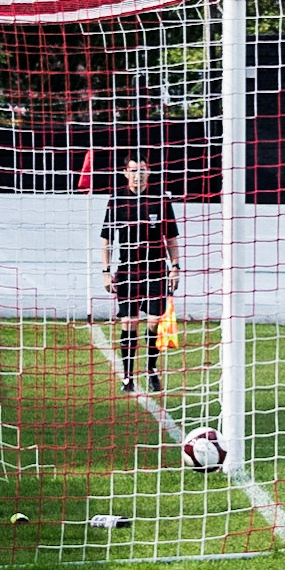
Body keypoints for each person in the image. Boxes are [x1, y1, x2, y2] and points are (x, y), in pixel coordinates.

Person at [100, 153, 180, 393]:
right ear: (125, 173)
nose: (138, 175)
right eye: (133, 170)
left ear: (149, 172)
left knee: (155, 323)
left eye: (142, 170)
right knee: (129, 323)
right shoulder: (117, 200)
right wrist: (105, 271)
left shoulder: (161, 200)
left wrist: (175, 267)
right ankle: (127, 377)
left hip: (156, 269)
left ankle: (151, 368)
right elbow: (106, 239)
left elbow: (172, 239)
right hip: (128, 271)